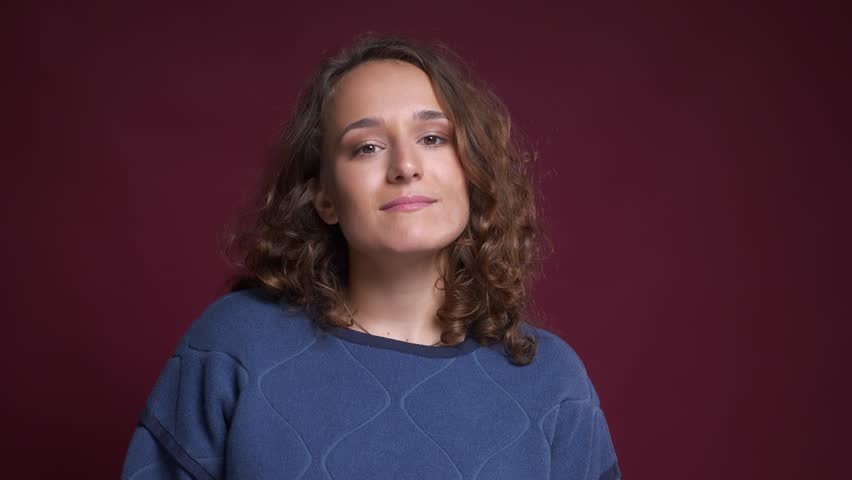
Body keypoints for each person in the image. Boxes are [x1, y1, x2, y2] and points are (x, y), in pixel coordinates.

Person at [120, 33, 621, 480]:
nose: (405, 165)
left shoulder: (551, 380)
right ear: (324, 198)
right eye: (367, 147)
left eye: (432, 138)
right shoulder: (234, 347)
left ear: (473, 173)